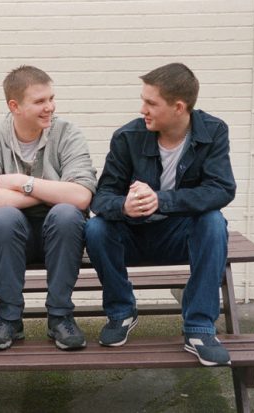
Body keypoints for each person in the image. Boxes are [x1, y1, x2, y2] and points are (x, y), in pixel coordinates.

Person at [84, 63, 237, 366]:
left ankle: (199, 329)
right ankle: (121, 312)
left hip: (178, 235)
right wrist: (124, 206)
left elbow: (222, 189)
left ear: (179, 107)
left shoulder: (213, 131)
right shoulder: (127, 137)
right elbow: (102, 198)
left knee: (213, 221)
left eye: (151, 103)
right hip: (134, 234)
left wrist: (162, 200)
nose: (143, 109)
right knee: (96, 229)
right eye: (143, 101)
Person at [0, 65, 97, 351]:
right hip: (10, 239)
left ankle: (61, 317)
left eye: (51, 98)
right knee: (2, 218)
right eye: (39, 101)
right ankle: (9, 318)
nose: (49, 107)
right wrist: (52, 190)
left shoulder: (67, 134)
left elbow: (82, 196)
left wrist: (21, 183)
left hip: (61, 235)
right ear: (15, 106)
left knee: (66, 214)